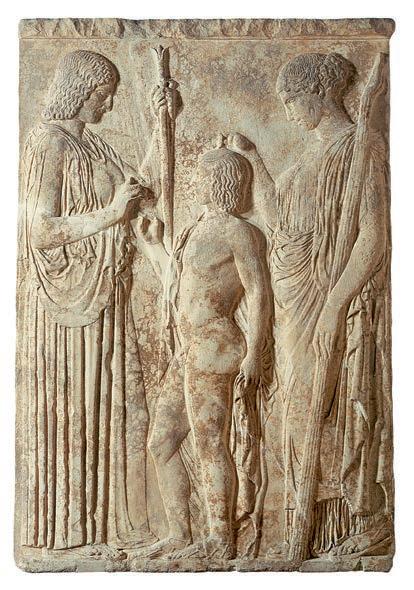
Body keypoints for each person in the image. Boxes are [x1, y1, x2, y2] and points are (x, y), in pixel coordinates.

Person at [229, 52, 393, 558]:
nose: (288, 111)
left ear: (320, 94)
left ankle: (356, 521)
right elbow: (282, 224)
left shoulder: (361, 147)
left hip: (324, 300)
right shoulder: (306, 157)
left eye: (292, 100)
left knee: (323, 412)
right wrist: (255, 160)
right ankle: (308, 533)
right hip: (293, 306)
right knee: (291, 417)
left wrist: (335, 306)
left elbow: (373, 238)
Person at [19, 50, 165, 557]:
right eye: (103, 95)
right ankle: (71, 534)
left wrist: (160, 124)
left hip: (108, 291)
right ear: (80, 90)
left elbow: (141, 190)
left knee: (126, 409)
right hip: (68, 305)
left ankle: (119, 527)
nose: (109, 104)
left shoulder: (94, 144)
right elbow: (39, 231)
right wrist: (111, 215)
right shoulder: (48, 143)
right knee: (77, 413)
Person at [139, 139, 272, 559]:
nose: (194, 181)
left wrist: (254, 352)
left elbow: (259, 292)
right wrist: (155, 244)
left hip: (215, 348)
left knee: (210, 444)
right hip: (189, 350)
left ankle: (220, 540)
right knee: (161, 442)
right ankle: (180, 533)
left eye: (201, 175)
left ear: (218, 181)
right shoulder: (196, 228)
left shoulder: (239, 232)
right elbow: (180, 285)